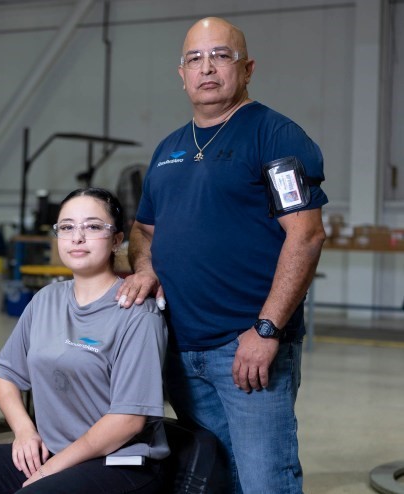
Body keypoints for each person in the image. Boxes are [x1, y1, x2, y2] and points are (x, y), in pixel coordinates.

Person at [116, 17, 328, 494]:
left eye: (221, 55)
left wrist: (267, 329)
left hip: (247, 349)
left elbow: (307, 236)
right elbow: (143, 230)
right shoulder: (169, 149)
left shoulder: (274, 134)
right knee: (212, 476)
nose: (206, 67)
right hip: (180, 350)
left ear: (247, 67)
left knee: (263, 481)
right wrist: (146, 268)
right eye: (195, 58)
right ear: (182, 73)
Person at [0, 187, 170, 494]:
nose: (77, 237)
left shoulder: (137, 313)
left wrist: (52, 468)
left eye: (92, 226)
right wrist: (24, 432)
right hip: (54, 450)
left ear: (117, 240)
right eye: (67, 227)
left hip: (118, 462)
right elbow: (3, 376)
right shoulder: (46, 300)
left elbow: (128, 421)